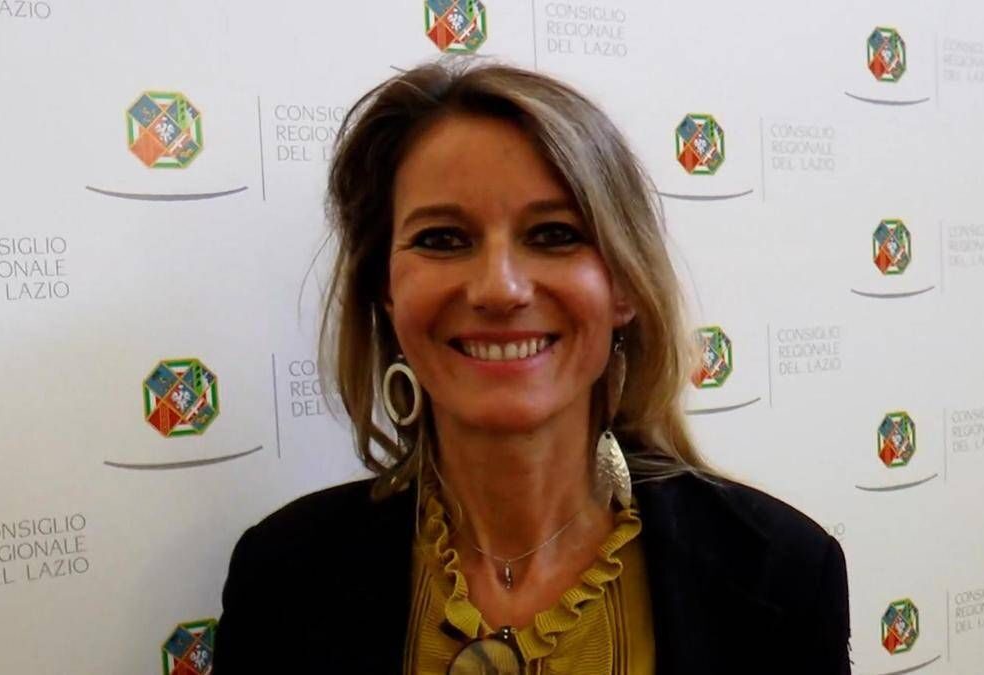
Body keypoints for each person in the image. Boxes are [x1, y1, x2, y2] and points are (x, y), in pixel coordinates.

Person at [215, 61, 851, 674]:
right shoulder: (281, 573)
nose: (500, 289)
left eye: (554, 235)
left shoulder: (782, 573)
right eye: (442, 239)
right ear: (385, 288)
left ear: (625, 285)